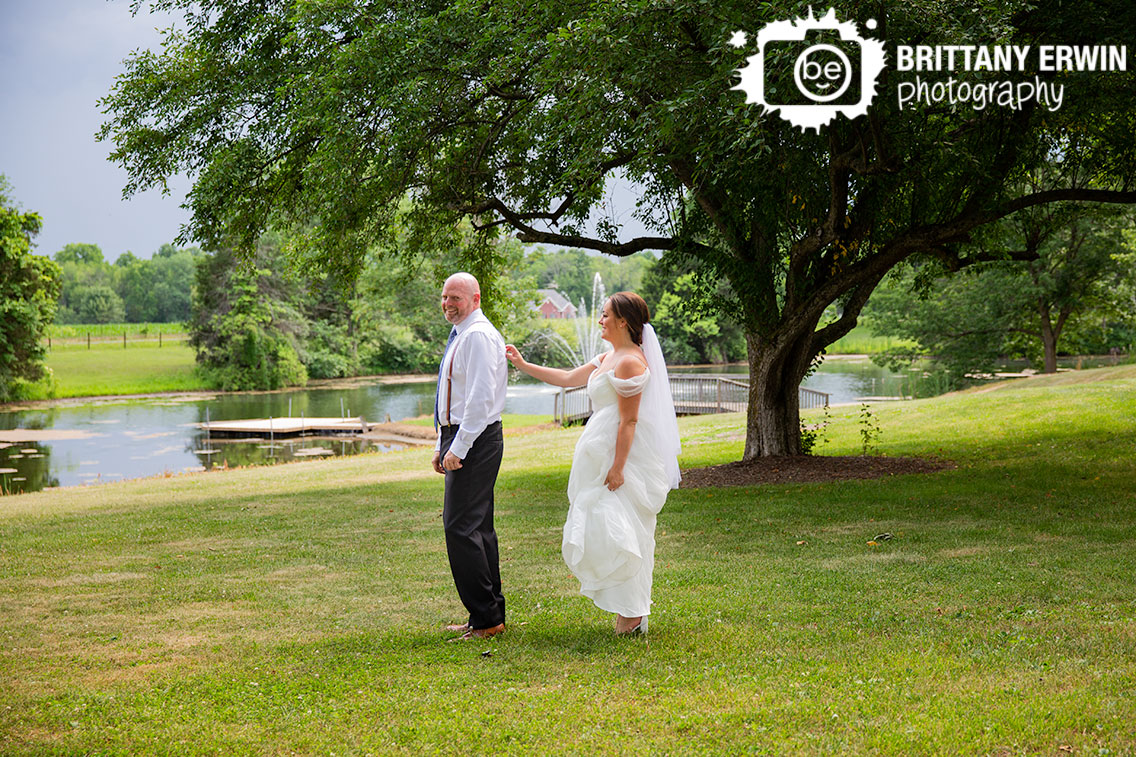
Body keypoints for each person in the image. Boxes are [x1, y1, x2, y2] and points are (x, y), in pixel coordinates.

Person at [505, 292, 680, 635]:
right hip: (598, 451)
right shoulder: (608, 357)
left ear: (623, 321)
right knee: (606, 528)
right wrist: (523, 366)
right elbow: (569, 378)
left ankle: (632, 615)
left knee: (627, 529)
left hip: (624, 457)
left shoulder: (631, 361)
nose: (599, 321)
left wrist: (618, 467)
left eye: (604, 315)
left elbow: (629, 422)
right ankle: (626, 609)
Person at [432, 272, 508, 641]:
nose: (448, 304)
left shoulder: (476, 336)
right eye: (445, 297)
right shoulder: (463, 334)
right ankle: (488, 614)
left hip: (475, 438)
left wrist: (458, 448)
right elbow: (453, 398)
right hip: (462, 435)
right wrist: (440, 445)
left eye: (456, 298)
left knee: (460, 528)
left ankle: (487, 618)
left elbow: (479, 400)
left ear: (475, 299)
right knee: (477, 528)